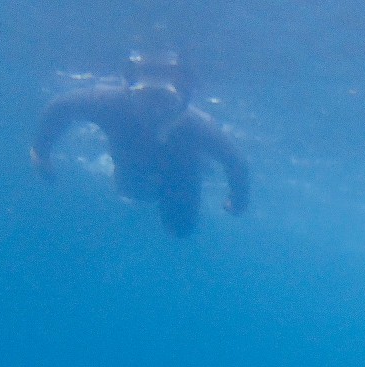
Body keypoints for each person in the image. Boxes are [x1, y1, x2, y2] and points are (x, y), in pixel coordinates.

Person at [31, 52, 250, 237]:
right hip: (132, 162)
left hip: (182, 171)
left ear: (180, 102)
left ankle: (198, 174)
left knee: (181, 228)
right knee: (131, 191)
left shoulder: (197, 125)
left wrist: (238, 200)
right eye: (146, 98)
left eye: (164, 100)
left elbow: (235, 162)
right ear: (131, 94)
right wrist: (40, 153)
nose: (155, 110)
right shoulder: (110, 103)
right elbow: (59, 108)